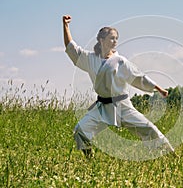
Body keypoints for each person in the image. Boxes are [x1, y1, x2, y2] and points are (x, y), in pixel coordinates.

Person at [62, 15, 174, 158]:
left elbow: (138, 77)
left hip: (122, 105)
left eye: (116, 38)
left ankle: (170, 156)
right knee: (80, 130)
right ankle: (89, 159)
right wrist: (65, 26)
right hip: (102, 107)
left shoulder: (120, 61)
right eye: (111, 38)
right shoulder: (90, 59)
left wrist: (158, 88)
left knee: (149, 128)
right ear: (101, 40)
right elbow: (71, 48)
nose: (115, 41)